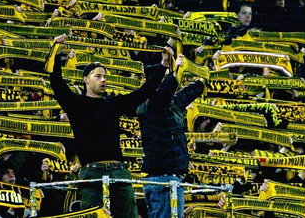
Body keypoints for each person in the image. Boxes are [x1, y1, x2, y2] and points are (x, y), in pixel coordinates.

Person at [49, 36, 169, 218]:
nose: (103, 79)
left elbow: (143, 92)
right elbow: (56, 81)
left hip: (118, 170)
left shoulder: (113, 103)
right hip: (91, 173)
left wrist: (163, 66)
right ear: (86, 80)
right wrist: (56, 51)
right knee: (92, 215)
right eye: (98, 76)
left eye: (105, 76)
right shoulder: (75, 104)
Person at [137, 54, 204, 218]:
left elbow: (188, 92)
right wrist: (174, 74)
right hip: (163, 182)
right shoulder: (151, 104)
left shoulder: (170, 103)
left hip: (169, 180)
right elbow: (165, 92)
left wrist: (202, 76)